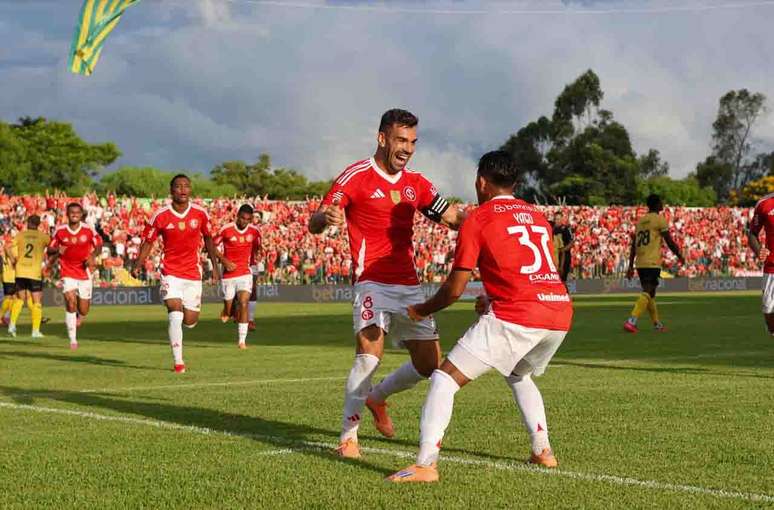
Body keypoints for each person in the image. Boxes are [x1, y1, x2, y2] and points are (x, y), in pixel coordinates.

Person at [387, 151, 573, 483]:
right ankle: (543, 450)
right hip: (558, 311)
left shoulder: (478, 218)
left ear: (481, 182)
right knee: (518, 375)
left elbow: (454, 291)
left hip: (520, 313)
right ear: (515, 183)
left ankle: (426, 464)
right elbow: (541, 270)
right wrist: (491, 295)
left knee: (444, 379)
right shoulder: (537, 216)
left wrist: (420, 310)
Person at [308, 108, 465, 458]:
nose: (407, 148)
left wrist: (486, 222)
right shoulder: (354, 177)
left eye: (412, 141)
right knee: (369, 355)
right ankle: (348, 436)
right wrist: (326, 217)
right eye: (400, 140)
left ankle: (377, 398)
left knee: (429, 366)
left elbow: (453, 217)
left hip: (408, 285)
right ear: (382, 138)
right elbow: (315, 222)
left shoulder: (418, 184)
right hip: (371, 283)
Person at [132, 174, 222, 373]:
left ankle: (187, 318)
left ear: (190, 190)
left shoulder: (200, 213)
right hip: (170, 271)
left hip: (192, 272)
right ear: (171, 191)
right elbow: (149, 241)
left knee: (189, 320)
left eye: (186, 186)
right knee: (174, 312)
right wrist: (139, 263)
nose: (182, 189)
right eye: (178, 186)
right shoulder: (160, 215)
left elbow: (208, 239)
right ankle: (178, 362)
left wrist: (215, 267)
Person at [624, 194, 685, 333]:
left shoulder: (640, 222)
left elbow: (634, 245)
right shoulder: (659, 220)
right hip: (652, 262)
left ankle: (657, 324)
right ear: (657, 204)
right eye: (661, 202)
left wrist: (630, 265)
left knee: (650, 293)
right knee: (648, 290)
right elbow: (669, 241)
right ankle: (631, 321)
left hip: (640, 262)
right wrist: (679, 255)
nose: (662, 204)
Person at [47, 203, 103, 350]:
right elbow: (50, 249)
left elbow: (99, 245)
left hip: (84, 272)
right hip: (67, 271)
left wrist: (92, 255)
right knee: (70, 302)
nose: (75, 214)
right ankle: (73, 340)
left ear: (81, 214)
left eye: (77, 212)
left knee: (83, 309)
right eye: (72, 212)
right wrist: (57, 249)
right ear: (67, 213)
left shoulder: (88, 229)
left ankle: (80, 315)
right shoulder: (60, 231)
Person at [214, 204, 261, 349]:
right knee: (228, 309)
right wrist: (224, 261)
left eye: (248, 219)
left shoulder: (255, 231)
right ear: (237, 216)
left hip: (245, 273)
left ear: (251, 219)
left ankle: (242, 341)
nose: (244, 222)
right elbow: (211, 245)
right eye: (242, 218)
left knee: (243, 302)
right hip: (228, 275)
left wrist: (254, 261)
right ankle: (228, 310)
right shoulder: (226, 229)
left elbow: (257, 248)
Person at [6, 216, 50, 338]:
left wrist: (13, 259)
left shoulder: (21, 235)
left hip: (20, 270)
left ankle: (12, 325)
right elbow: (52, 247)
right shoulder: (43, 236)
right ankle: (35, 331)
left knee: (20, 299)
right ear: (39, 224)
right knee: (36, 302)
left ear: (28, 223)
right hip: (34, 272)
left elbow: (7, 247)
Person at [748, 192, 774, 334]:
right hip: (772, 268)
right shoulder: (764, 204)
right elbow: (752, 234)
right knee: (768, 308)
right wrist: (759, 251)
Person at [552, 212, 574, 282]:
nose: (556, 221)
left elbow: (571, 242)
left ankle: (566, 292)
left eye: (558, 219)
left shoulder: (565, 229)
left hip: (565, 257)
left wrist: (563, 249)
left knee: (563, 279)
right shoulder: (552, 229)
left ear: (562, 219)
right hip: (555, 256)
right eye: (555, 219)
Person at [0, 231, 16, 326]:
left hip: (12, 276)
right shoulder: (8, 245)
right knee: (8, 298)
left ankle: (6, 318)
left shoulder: (9, 245)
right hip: (9, 276)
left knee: (13, 298)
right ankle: (4, 317)